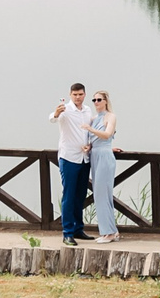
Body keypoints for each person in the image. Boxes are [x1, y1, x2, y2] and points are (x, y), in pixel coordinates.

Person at [49, 82, 94, 245]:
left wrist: (90, 144)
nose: (78, 97)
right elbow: (52, 119)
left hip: (85, 157)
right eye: (75, 95)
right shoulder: (65, 110)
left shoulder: (88, 110)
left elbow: (90, 130)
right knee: (68, 194)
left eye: (80, 94)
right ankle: (67, 232)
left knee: (80, 195)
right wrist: (56, 113)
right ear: (70, 95)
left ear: (84, 94)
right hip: (69, 157)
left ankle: (78, 228)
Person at [88, 91, 120, 244]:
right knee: (100, 194)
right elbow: (94, 140)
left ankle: (109, 232)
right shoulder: (94, 119)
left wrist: (90, 129)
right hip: (95, 155)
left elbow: (107, 135)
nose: (96, 102)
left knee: (102, 192)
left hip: (105, 156)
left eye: (99, 99)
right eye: (94, 100)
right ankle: (111, 229)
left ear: (106, 101)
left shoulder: (110, 116)